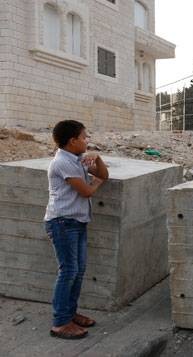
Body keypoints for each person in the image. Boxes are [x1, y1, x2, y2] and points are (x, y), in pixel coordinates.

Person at [44, 120, 109, 339]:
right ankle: (60, 322)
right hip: (62, 222)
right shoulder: (62, 163)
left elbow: (104, 174)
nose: (87, 140)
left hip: (77, 222)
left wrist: (97, 159)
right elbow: (86, 191)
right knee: (68, 271)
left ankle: (69, 313)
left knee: (78, 271)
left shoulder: (77, 159)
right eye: (84, 137)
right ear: (73, 141)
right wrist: (96, 182)